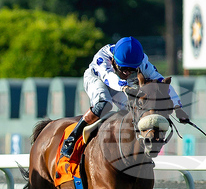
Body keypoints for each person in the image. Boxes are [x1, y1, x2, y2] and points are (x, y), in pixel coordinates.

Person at [60, 36, 189, 159]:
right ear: (114, 60)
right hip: (98, 79)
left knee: (133, 112)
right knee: (104, 104)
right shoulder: (102, 57)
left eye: (131, 70)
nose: (127, 73)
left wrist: (178, 107)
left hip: (124, 87)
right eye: (123, 69)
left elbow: (161, 82)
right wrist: (125, 88)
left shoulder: (142, 61)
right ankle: (72, 138)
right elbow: (109, 78)